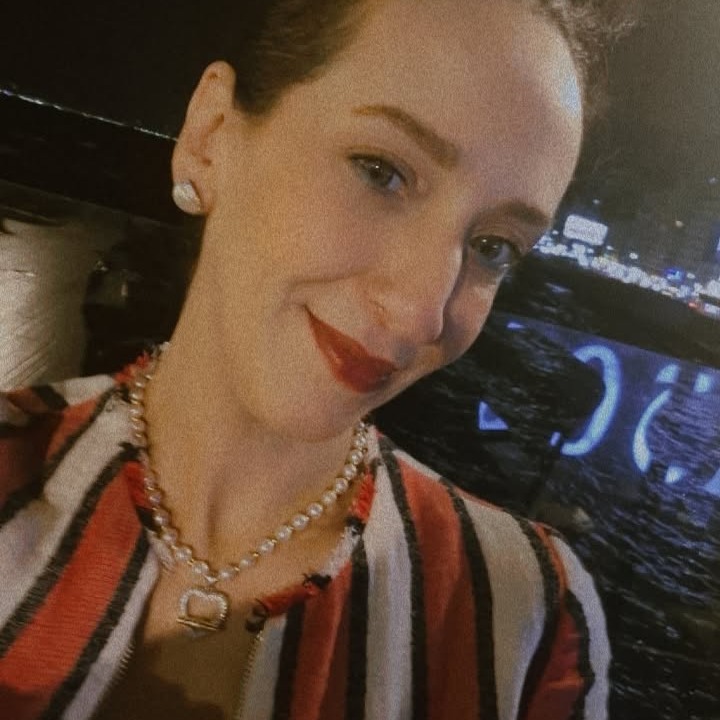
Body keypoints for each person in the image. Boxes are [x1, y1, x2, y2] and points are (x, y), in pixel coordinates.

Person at [0, 0, 634, 717]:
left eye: (493, 248)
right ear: (211, 136)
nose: (422, 312)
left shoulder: (522, 622)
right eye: (381, 172)